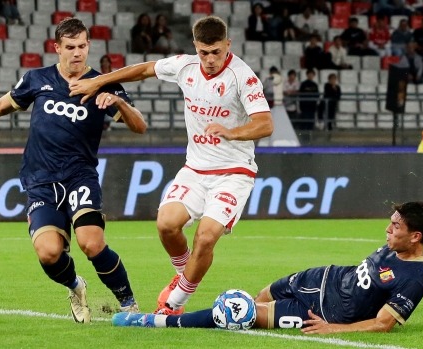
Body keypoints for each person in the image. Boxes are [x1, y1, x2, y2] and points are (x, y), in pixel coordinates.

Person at [0, 18, 148, 323]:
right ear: (57, 48)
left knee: (91, 242)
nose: (77, 53)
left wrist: (120, 105)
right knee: (48, 252)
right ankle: (75, 285)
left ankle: (129, 305)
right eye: (70, 47)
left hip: (80, 175)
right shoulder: (37, 79)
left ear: (88, 46)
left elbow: (140, 126)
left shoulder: (103, 84)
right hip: (41, 180)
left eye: (82, 46)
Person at [69, 16, 273, 315]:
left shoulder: (243, 77)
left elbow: (265, 123)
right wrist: (100, 80)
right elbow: (143, 69)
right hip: (195, 169)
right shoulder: (185, 66)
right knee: (166, 224)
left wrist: (232, 132)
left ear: (227, 45)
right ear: (195, 47)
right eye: (204, 52)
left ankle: (174, 303)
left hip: (234, 173)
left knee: (205, 236)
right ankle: (184, 274)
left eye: (216, 51)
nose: (210, 59)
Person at [114, 201, 423, 334]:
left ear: (416, 236)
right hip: (319, 277)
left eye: (395, 227)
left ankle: (155, 322)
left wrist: (332, 328)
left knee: (241, 314)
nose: (388, 230)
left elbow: (383, 324)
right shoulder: (397, 246)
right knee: (260, 296)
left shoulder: (416, 277)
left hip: (323, 313)